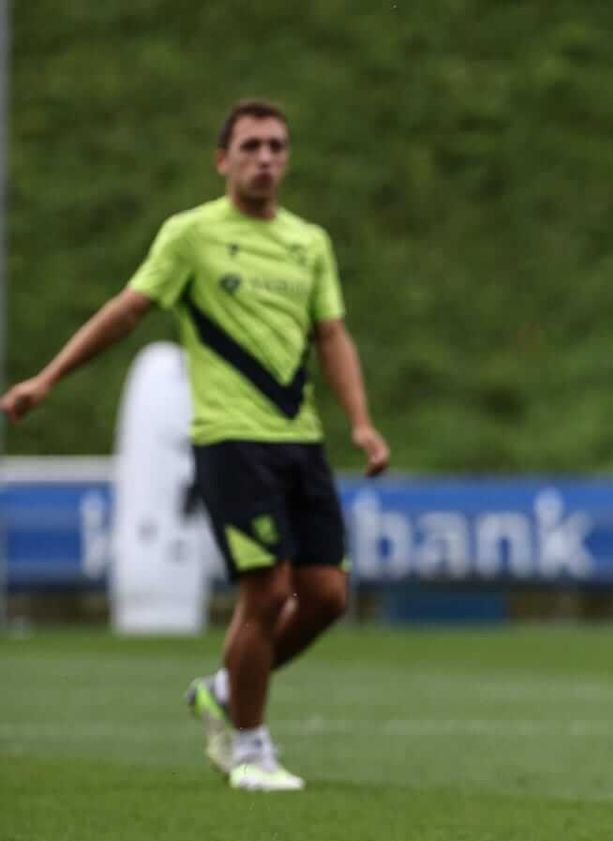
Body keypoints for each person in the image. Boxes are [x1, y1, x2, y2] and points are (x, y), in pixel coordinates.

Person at [1, 99, 388, 793]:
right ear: (222, 160)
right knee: (267, 591)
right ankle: (250, 748)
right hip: (229, 439)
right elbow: (128, 309)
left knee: (327, 595)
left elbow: (330, 335)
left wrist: (360, 422)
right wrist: (48, 378)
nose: (264, 158)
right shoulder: (191, 235)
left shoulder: (309, 243)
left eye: (276, 147)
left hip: (299, 440)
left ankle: (223, 689)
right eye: (250, 146)